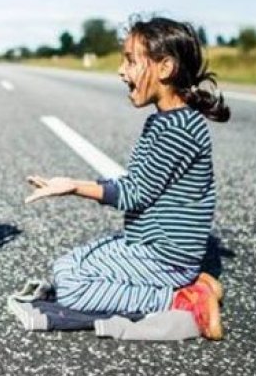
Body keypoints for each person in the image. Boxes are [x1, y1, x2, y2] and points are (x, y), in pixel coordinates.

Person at [23, 17, 230, 341]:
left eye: (131, 61)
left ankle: (182, 300)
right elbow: (140, 182)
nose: (121, 70)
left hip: (164, 256)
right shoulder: (165, 121)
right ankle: (192, 283)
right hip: (147, 245)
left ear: (164, 68)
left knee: (72, 289)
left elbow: (133, 194)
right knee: (66, 266)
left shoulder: (178, 130)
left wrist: (74, 186)